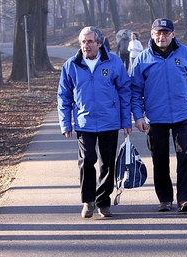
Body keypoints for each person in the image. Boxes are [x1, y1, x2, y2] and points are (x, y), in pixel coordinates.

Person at [57, 26, 132, 219]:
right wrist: (66, 123)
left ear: (99, 43)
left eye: (90, 41)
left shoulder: (114, 63)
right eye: (83, 41)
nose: (86, 45)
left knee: (107, 163)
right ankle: (88, 201)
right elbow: (64, 96)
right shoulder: (71, 65)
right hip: (85, 122)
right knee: (87, 160)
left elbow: (125, 92)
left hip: (109, 121)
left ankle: (103, 202)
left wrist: (126, 121)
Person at [130, 18, 187, 213]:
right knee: (159, 159)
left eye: (166, 33)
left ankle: (185, 199)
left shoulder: (186, 54)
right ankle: (165, 199)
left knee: (186, 155)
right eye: (158, 33)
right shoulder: (143, 59)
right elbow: (135, 91)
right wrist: (138, 116)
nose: (161, 37)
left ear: (173, 34)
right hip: (156, 117)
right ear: (152, 34)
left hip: (184, 115)